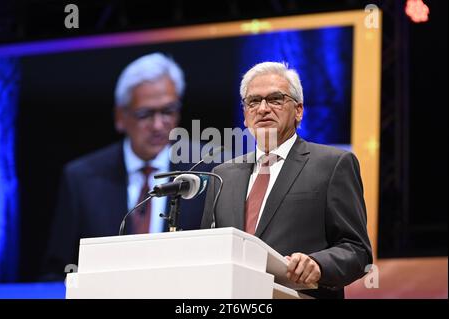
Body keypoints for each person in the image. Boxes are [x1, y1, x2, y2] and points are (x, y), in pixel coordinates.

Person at [201, 62, 372, 299]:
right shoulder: (222, 175)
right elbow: (207, 251)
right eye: (253, 101)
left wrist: (318, 264)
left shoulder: (333, 164)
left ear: (299, 110)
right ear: (245, 115)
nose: (262, 109)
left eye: (275, 99)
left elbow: (358, 250)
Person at [42, 53, 209, 281]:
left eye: (168, 111)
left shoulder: (208, 168)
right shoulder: (81, 178)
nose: (159, 125)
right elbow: (57, 271)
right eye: (145, 114)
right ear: (120, 116)